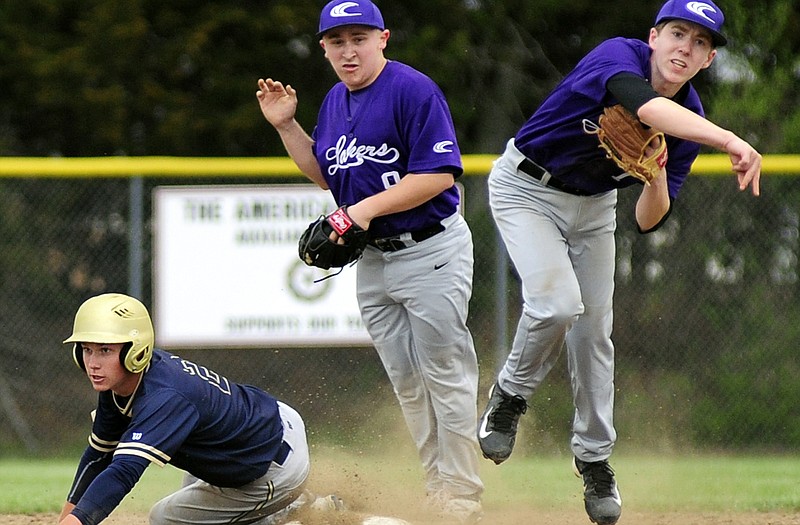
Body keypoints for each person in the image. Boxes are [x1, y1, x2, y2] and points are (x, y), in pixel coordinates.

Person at [476, 1, 761, 524]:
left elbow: (650, 221)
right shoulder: (618, 56)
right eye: (678, 33)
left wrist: (654, 173)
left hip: (594, 208)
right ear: (654, 37)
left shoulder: (688, 119)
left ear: (708, 60)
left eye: (700, 43)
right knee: (557, 305)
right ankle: (510, 395)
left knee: (593, 332)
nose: (685, 48)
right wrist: (729, 140)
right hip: (526, 188)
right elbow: (644, 106)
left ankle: (595, 459)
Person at [256, 0, 484, 522]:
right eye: (337, 42)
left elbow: (440, 175)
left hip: (431, 250)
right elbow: (329, 175)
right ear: (324, 49)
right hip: (375, 260)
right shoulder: (336, 100)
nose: (348, 50)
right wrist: (288, 127)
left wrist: (358, 212)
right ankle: (437, 486)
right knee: (407, 379)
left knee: (444, 372)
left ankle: (464, 493)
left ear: (383, 38)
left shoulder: (412, 90)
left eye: (358, 38)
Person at [58, 293, 343, 525]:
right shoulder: (123, 380)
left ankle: (287, 515)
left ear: (135, 349)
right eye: (86, 349)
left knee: (166, 519)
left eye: (105, 350)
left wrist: (80, 521)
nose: (93, 362)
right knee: (190, 505)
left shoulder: (164, 396)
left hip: (271, 467)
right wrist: (67, 518)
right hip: (262, 431)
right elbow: (98, 457)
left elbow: (123, 471)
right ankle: (303, 505)